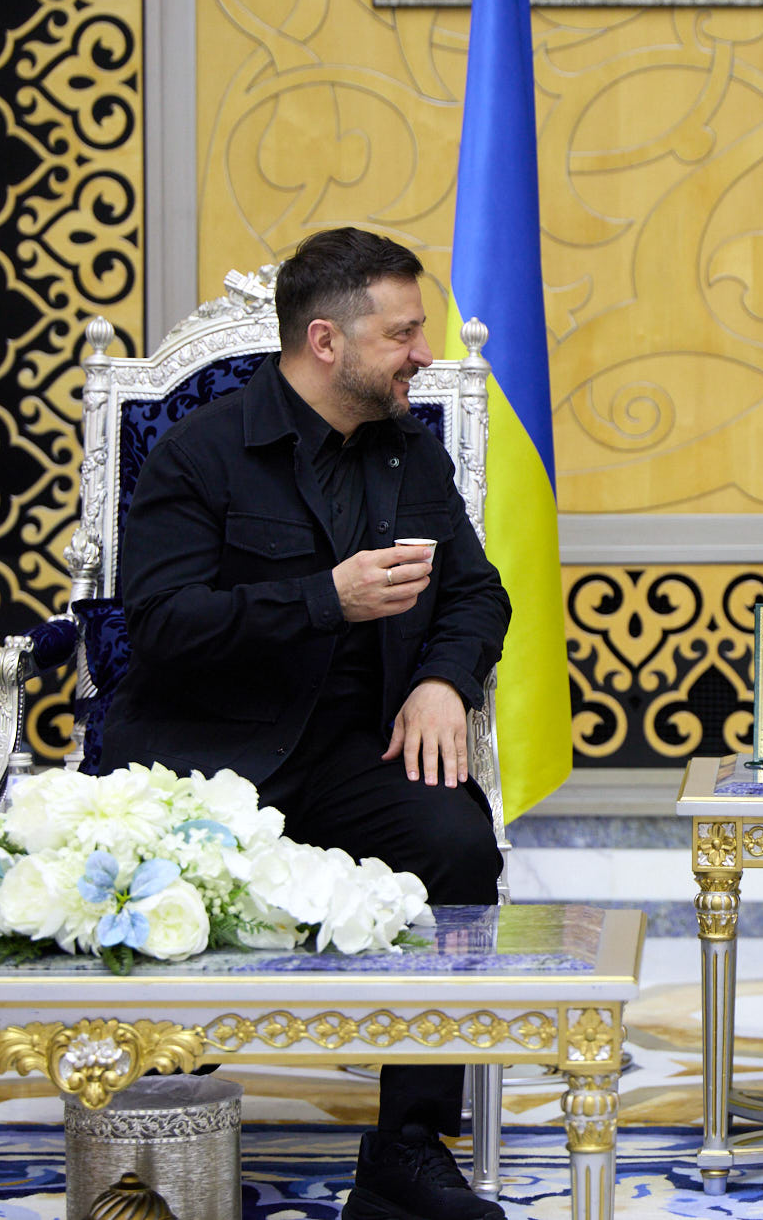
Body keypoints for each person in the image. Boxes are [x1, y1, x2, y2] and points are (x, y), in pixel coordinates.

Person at [105, 227, 514, 1220]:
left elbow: (477, 594)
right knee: (158, 886)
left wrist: (443, 681)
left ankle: (407, 1151)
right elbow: (161, 626)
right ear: (326, 342)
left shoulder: (408, 452)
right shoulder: (200, 453)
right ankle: (157, 1133)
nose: (423, 353)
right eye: (403, 334)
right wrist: (325, 598)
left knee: (457, 843)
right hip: (207, 760)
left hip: (354, 748)